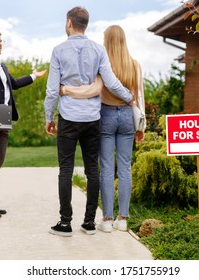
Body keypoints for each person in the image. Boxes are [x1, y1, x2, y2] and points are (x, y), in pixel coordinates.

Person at [44, 7, 133, 237]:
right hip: (93, 119)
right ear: (85, 24)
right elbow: (111, 83)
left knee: (66, 170)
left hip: (69, 118)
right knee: (92, 169)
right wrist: (129, 97)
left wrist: (48, 117)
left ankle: (65, 224)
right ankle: (89, 223)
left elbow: (53, 90)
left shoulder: (58, 51)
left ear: (69, 23)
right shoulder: (98, 50)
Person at [62, 25, 146, 232]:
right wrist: (141, 126)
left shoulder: (102, 63)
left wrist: (65, 90)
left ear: (107, 40)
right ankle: (123, 218)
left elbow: (95, 89)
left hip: (106, 115)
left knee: (107, 168)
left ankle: (107, 220)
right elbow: (139, 96)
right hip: (127, 116)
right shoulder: (134, 65)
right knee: (125, 167)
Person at [0, 29, 46, 219]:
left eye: (1, 41)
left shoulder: (1, 66)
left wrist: (34, 76)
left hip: (4, 117)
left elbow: (15, 84)